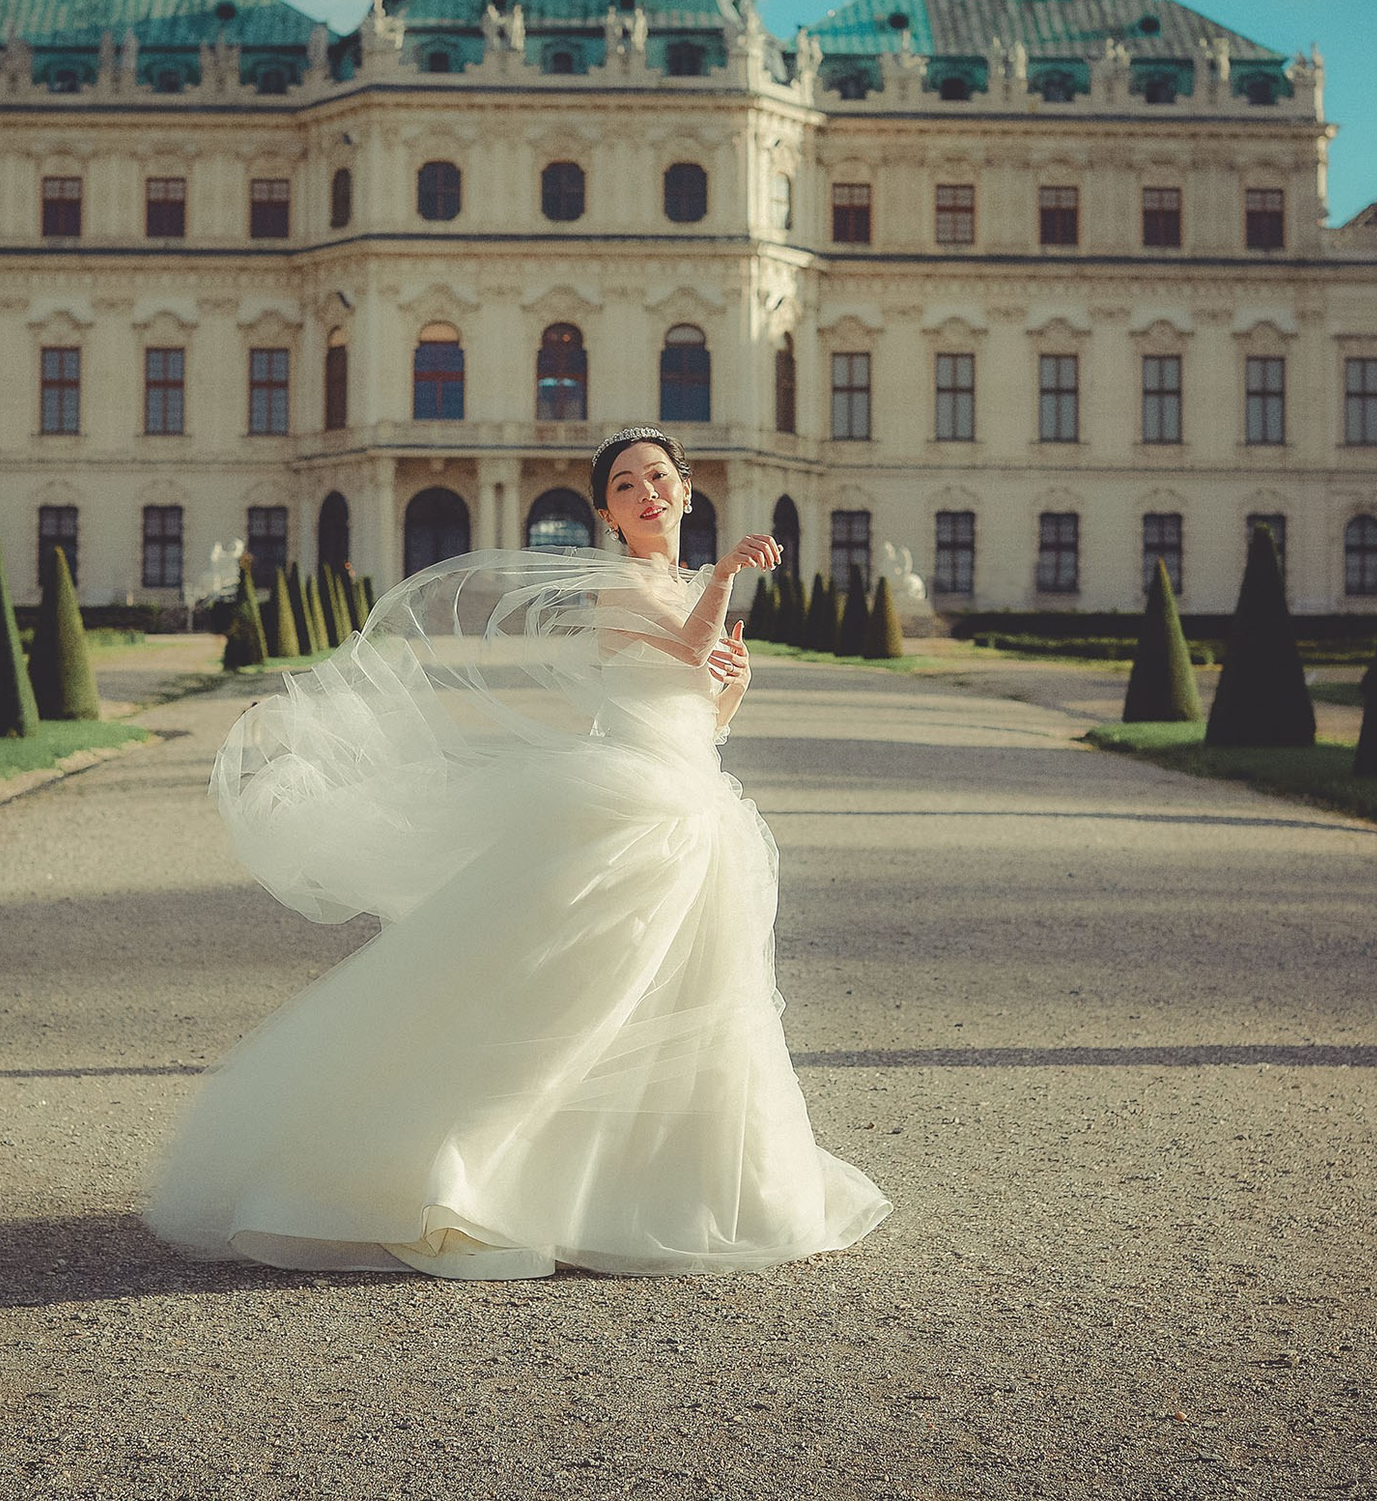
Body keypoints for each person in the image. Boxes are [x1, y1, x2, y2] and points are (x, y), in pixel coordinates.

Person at [146, 426, 887, 1278]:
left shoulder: (681, 585)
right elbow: (686, 650)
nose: (645, 494)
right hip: (631, 805)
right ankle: (464, 1173)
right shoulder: (621, 589)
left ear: (686, 490)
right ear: (608, 516)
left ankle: (664, 1186)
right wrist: (725, 578)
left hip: (693, 801)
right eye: (624, 488)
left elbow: (698, 711)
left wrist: (736, 690)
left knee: (686, 1001)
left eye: (656, 478)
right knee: (569, 995)